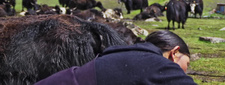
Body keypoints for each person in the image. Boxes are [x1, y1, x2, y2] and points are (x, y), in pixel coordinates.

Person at [35, 30, 197, 85]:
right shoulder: (159, 64)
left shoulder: (134, 57)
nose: (185, 71)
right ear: (174, 53)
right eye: (186, 64)